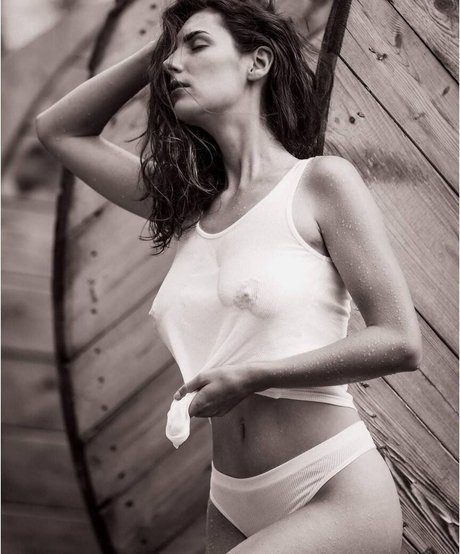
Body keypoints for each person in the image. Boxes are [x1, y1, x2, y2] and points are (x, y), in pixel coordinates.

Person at [36, 0, 423, 552]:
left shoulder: (319, 184)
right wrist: (165, 45)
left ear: (257, 62)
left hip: (331, 485)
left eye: (197, 45)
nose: (173, 65)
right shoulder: (188, 206)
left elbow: (400, 342)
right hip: (232, 498)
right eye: (170, 54)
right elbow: (59, 131)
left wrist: (254, 376)